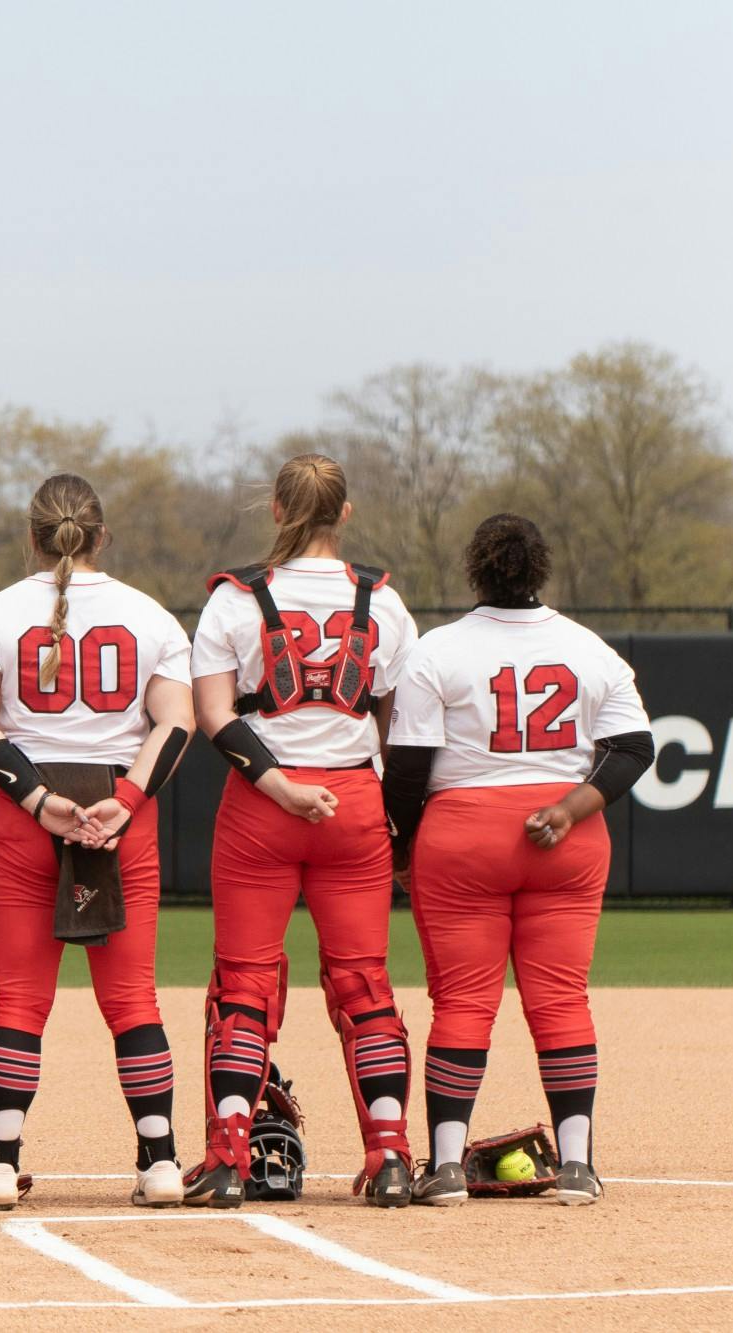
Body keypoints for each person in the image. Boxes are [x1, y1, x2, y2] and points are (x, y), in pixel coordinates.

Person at [385, 514, 654, 1207]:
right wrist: (569, 808)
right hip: (563, 836)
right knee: (562, 1000)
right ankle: (575, 1166)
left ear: (476, 569)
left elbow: (409, 768)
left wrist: (406, 846)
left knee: (464, 1002)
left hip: (464, 833)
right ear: (542, 570)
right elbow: (634, 749)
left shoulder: (437, 649)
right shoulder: (588, 648)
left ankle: (445, 1168)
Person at [0, 473, 197, 1212]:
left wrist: (40, 800)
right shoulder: (150, 615)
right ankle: (159, 1161)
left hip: (28, 816)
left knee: (21, 998)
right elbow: (176, 722)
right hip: (123, 813)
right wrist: (121, 803)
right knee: (132, 997)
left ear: (32, 536)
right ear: (103, 535)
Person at [186, 453, 419, 1208]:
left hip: (262, 802)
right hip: (353, 800)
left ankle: (228, 1153)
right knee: (365, 986)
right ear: (344, 514)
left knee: (244, 984)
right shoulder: (382, 603)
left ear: (278, 511)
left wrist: (281, 784)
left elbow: (216, 717)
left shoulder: (233, 599)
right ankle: (389, 1155)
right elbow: (399, 726)